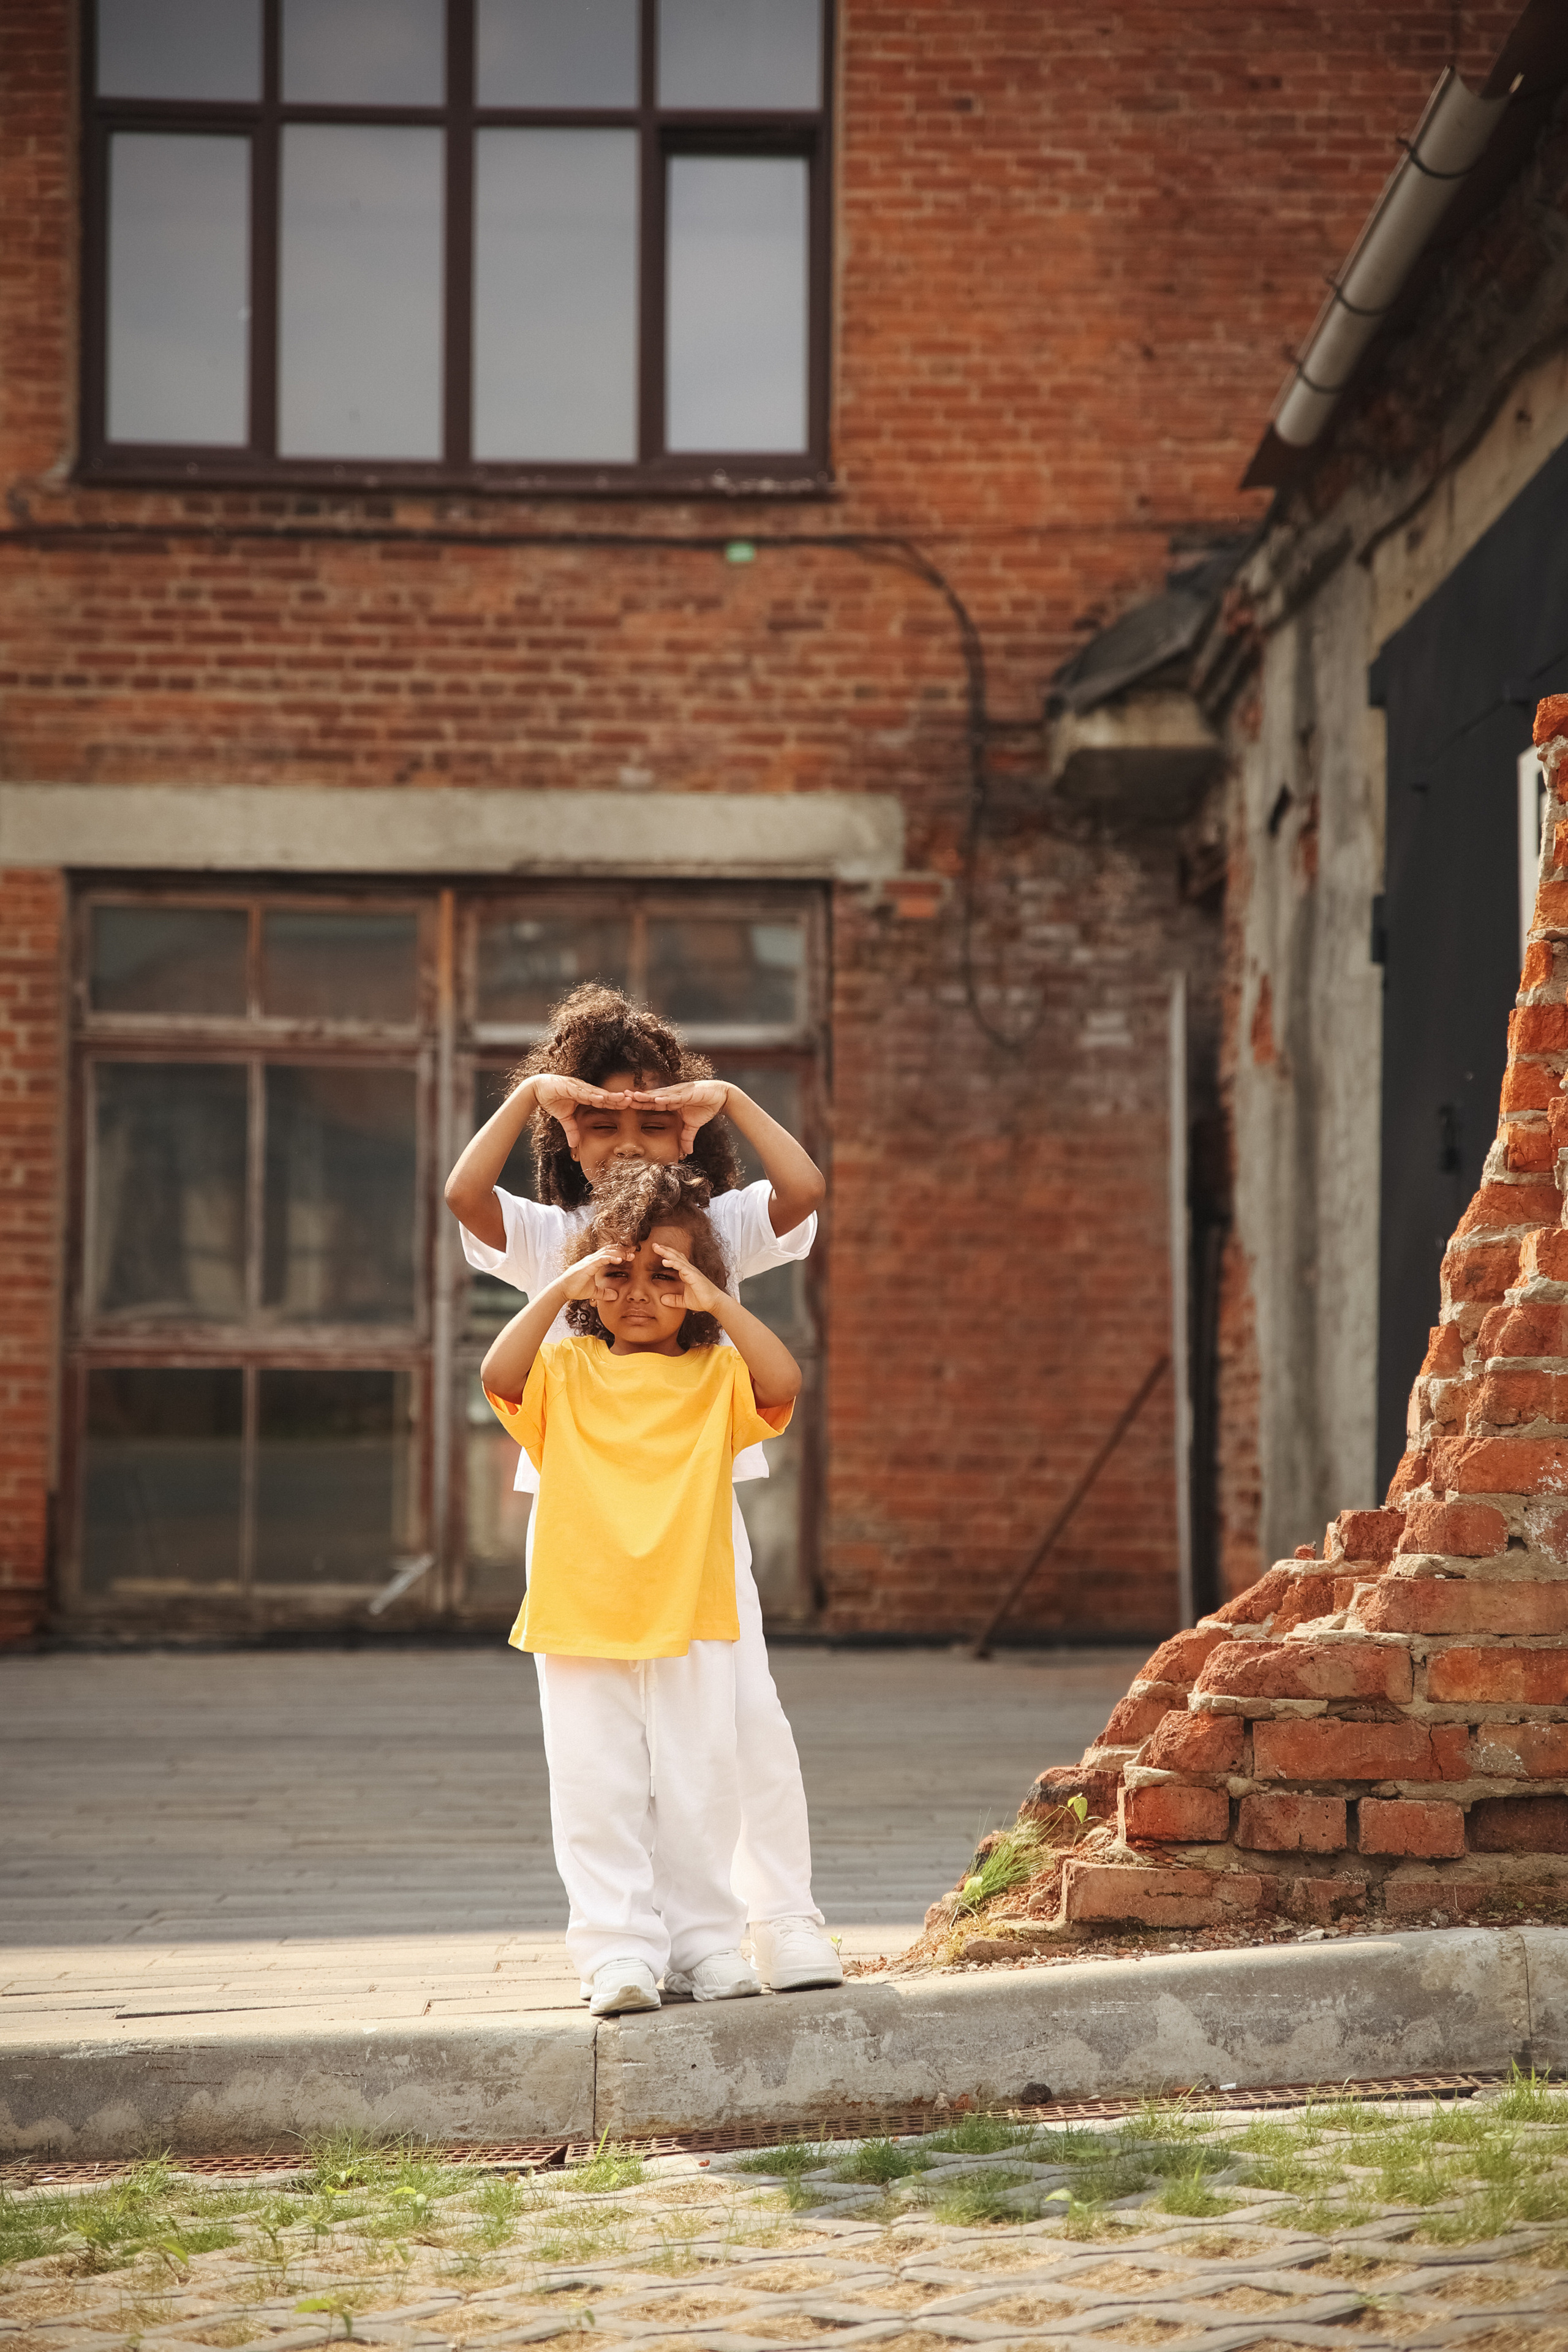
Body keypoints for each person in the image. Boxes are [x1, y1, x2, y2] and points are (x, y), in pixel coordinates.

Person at [443, 983, 842, 1993]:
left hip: (702, 1522)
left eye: (651, 1116)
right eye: (600, 1116)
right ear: (566, 1134)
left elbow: (803, 1190)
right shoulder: (556, 1237)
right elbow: (464, 1197)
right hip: (583, 1524)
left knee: (742, 1730)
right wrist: (535, 1094)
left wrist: (726, 1100)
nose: (626, 1138)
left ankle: (776, 1923)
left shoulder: (714, 1224)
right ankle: (628, 1940)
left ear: (687, 1129)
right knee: (604, 1753)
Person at [481, 1160, 799, 2016]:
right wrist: (561, 1289)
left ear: (697, 1283)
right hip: (580, 1611)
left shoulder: (717, 1377)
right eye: (619, 1272)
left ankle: (706, 1946)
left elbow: (783, 1382)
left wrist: (716, 1299)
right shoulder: (566, 1368)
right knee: (596, 1789)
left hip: (692, 1609)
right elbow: (499, 1376)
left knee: (702, 1784)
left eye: (667, 1275)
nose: (640, 1293)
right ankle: (615, 1952)